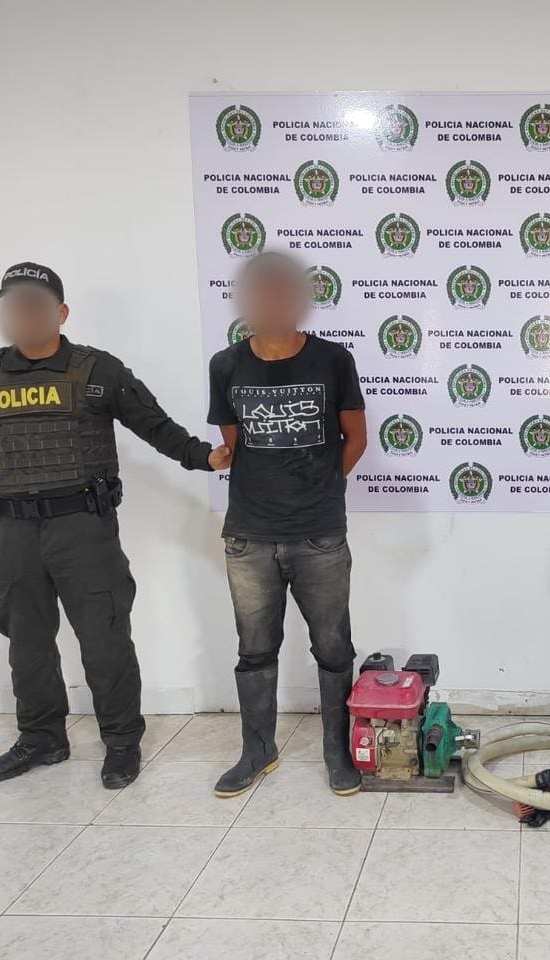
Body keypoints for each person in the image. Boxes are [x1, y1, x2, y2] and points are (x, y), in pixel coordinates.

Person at [0, 262, 231, 788]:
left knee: (104, 638)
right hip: (13, 530)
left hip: (81, 524)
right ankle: (42, 738)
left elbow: (153, 424)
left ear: (60, 313)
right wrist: (13, 484)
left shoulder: (98, 370)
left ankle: (122, 741)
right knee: (26, 642)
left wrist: (202, 457)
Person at [207, 251, 368, 798]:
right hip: (249, 535)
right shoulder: (226, 365)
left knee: (333, 647)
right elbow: (234, 446)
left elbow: (356, 438)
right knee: (254, 649)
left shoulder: (333, 360)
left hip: (319, 534)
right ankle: (258, 751)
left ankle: (337, 752)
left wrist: (322, 488)